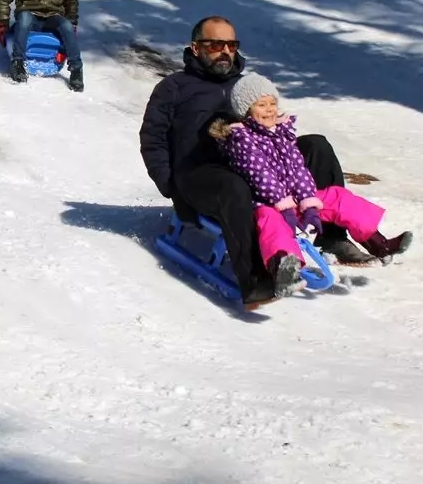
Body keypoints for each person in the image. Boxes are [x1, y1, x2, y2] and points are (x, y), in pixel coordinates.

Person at [139, 16, 378, 307]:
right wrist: (172, 188)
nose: (225, 51)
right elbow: (153, 140)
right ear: (196, 47)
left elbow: (275, 131)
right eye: (215, 44)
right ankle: (254, 279)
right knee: (232, 184)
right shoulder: (174, 88)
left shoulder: (246, 86)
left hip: (255, 168)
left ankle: (332, 237)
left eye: (231, 44)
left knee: (316, 145)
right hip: (200, 173)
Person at [210, 73, 413, 301]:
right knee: (272, 224)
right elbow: (260, 176)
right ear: (246, 110)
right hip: (264, 203)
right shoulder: (242, 139)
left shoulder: (281, 134)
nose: (269, 110)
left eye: (272, 104)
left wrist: (308, 202)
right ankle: (284, 269)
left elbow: (299, 171)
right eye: (261, 105)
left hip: (291, 199)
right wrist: (283, 205)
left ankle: (378, 242)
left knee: (337, 197)